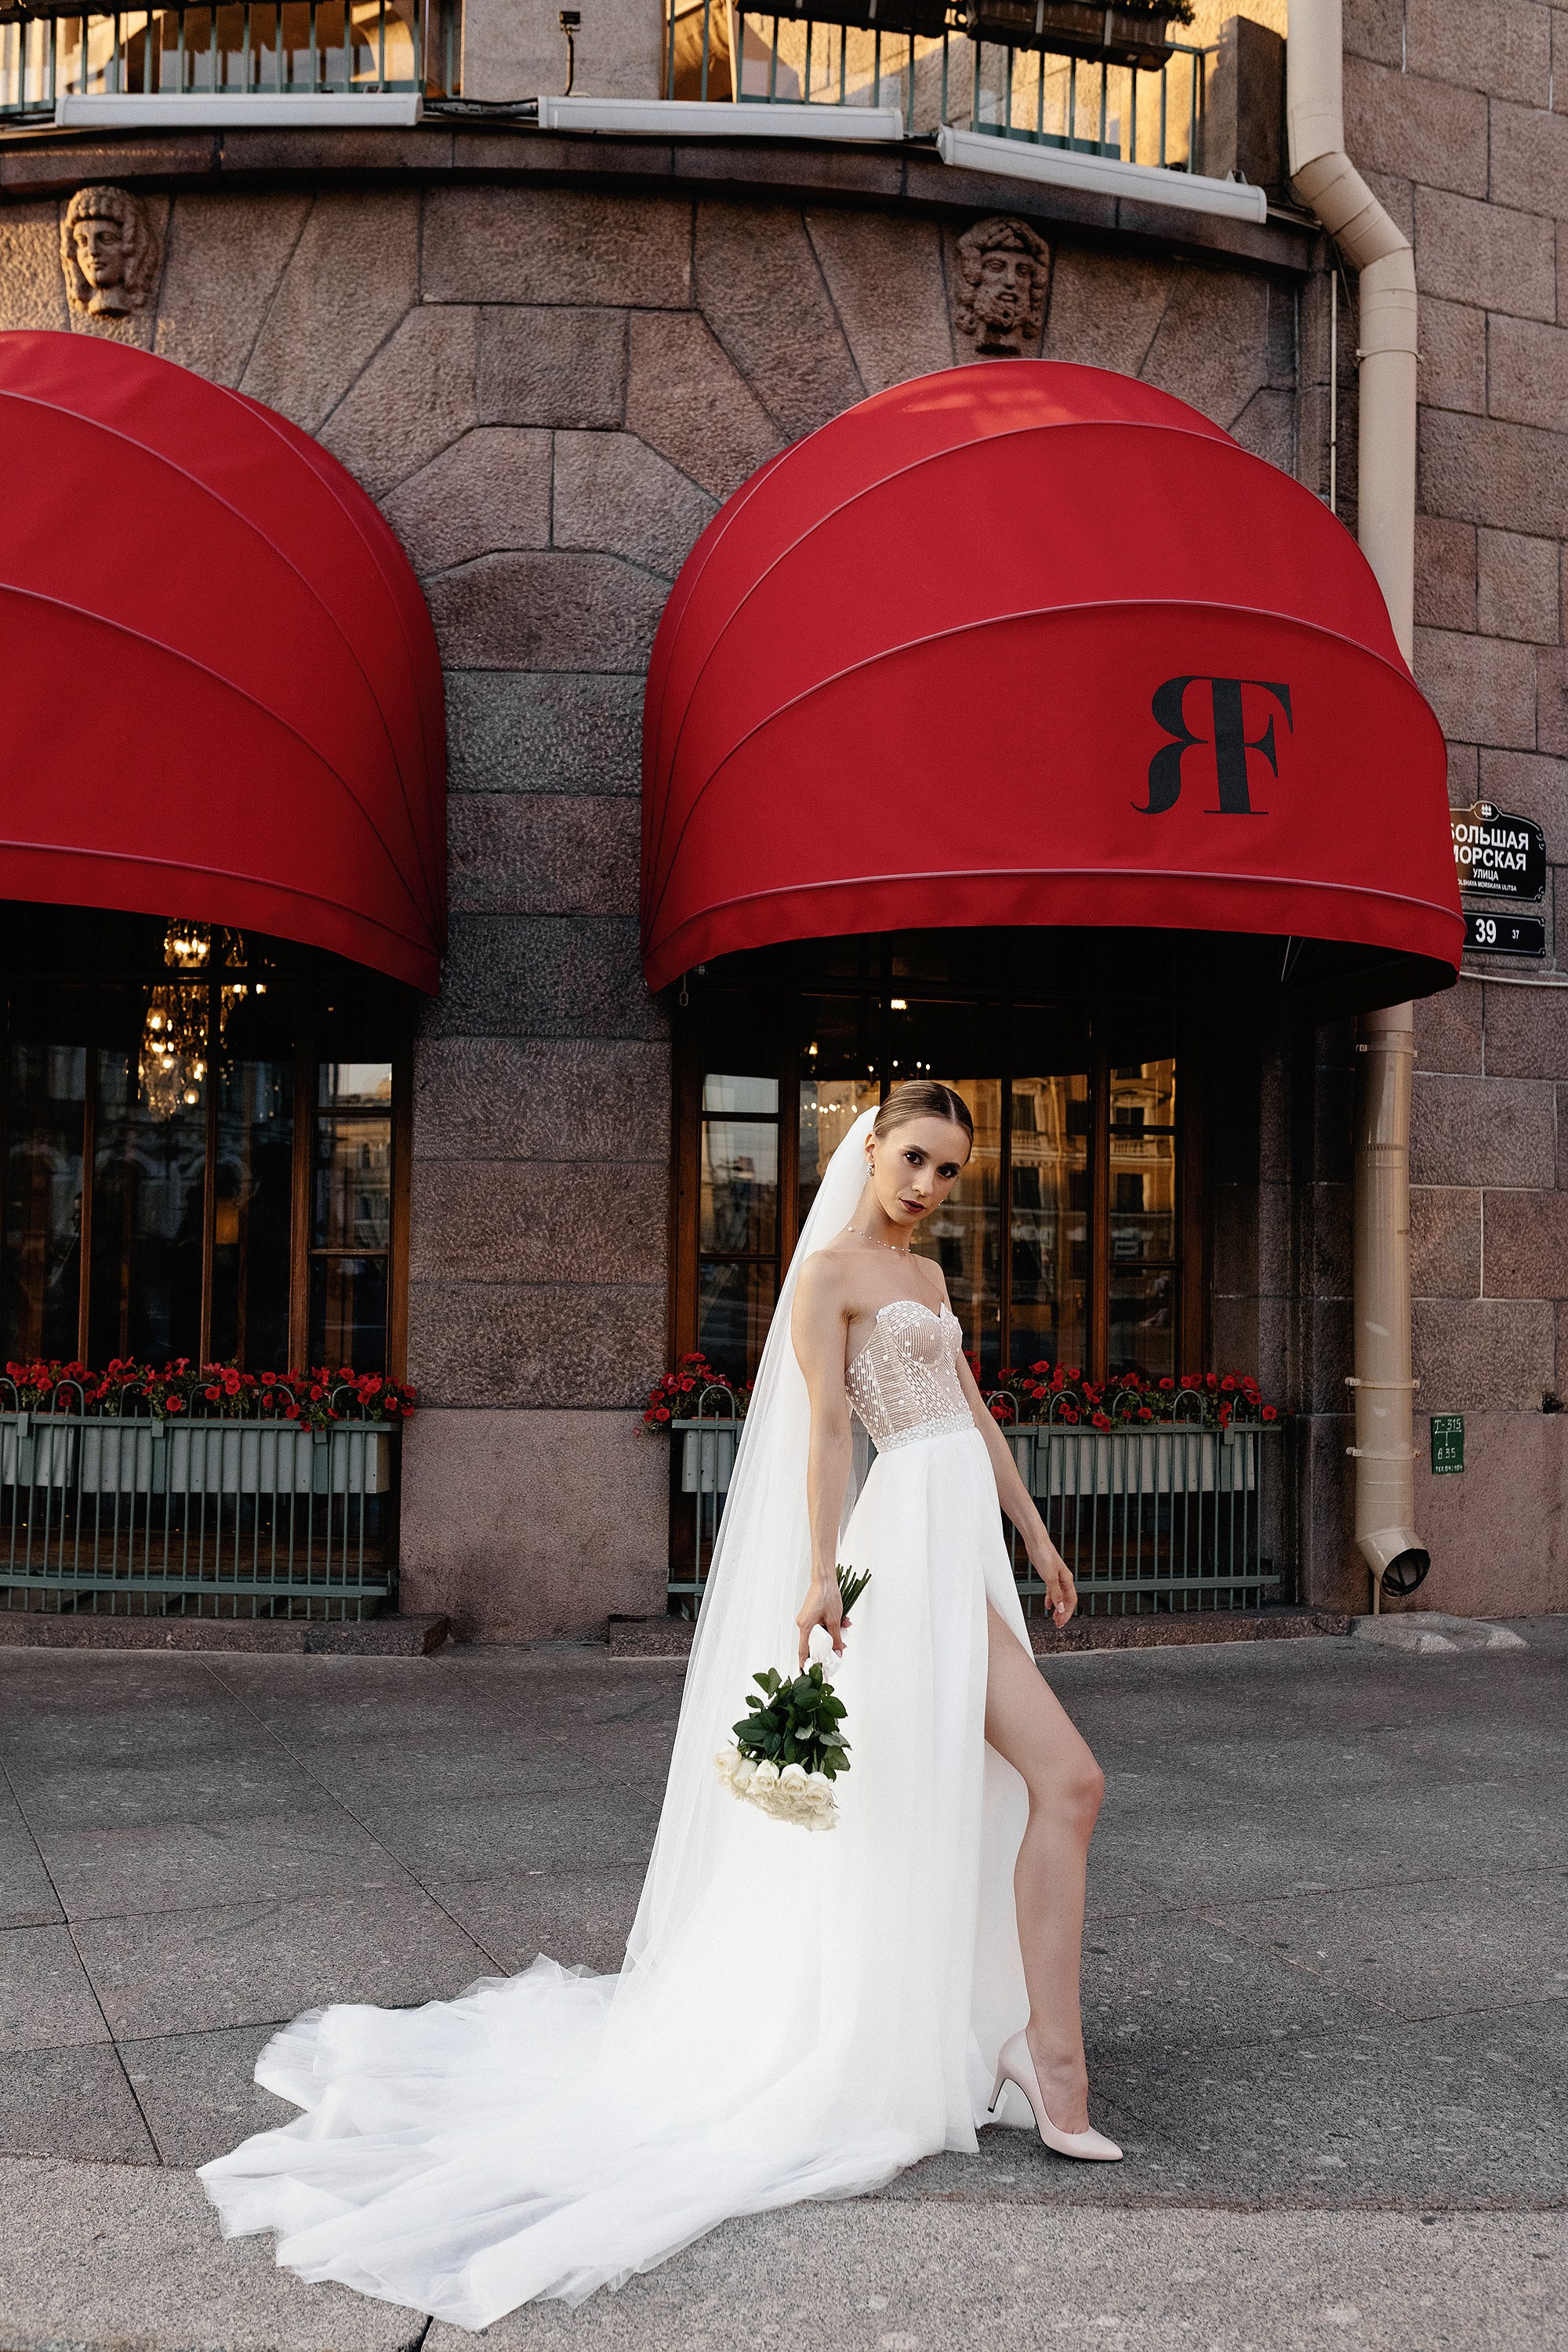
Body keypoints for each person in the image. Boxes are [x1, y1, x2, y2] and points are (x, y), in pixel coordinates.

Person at [198, 1081, 1118, 2328]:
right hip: (902, 1550)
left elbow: (972, 1418)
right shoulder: (833, 1277)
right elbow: (829, 1441)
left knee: (1038, 1788)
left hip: (970, 1543)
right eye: (915, 1160)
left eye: (950, 1172)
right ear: (872, 1150)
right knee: (1039, 1787)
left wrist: (1038, 1534)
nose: (929, 1187)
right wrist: (814, 1567)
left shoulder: (934, 1281)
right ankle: (1039, 2061)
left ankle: (1025, 2048)